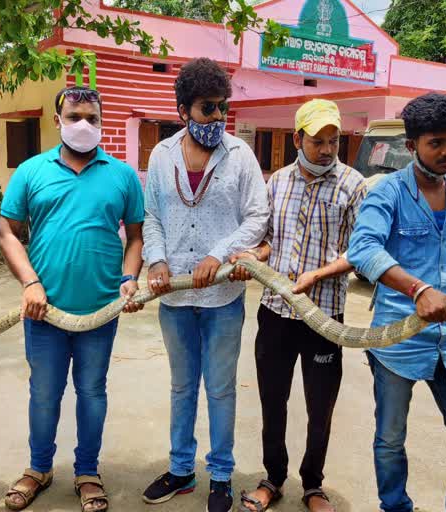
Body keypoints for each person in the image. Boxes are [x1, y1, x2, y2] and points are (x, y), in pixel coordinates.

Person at [347, 93, 446, 512]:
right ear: (412, 145)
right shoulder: (388, 193)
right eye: (436, 143)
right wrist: (418, 290)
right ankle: (396, 506)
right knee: (390, 439)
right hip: (397, 340)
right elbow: (363, 249)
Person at [0, 85, 145, 512]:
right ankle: (38, 468)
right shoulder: (30, 172)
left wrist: (129, 277)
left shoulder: (122, 175)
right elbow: (7, 232)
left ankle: (87, 472)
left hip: (101, 311)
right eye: (75, 116)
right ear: (57, 120)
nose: (84, 125)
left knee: (92, 391)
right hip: (44, 312)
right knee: (44, 393)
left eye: (93, 118)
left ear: (102, 122)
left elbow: (135, 236)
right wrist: (29, 282)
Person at [140, 57, 269, 512]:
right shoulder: (162, 155)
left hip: (222, 297)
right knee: (181, 387)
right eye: (206, 108)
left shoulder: (240, 156)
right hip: (173, 295)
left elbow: (258, 215)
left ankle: (220, 475)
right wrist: (155, 260)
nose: (217, 117)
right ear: (183, 110)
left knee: (219, 387)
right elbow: (152, 215)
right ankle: (180, 470)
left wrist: (220, 253)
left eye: (221, 107)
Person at [230, 99, 367, 512]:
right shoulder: (277, 183)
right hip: (275, 313)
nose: (327, 149)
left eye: (334, 140)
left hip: (324, 317)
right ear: (297, 139)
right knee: (274, 401)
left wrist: (320, 274)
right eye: (317, 141)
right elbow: (270, 239)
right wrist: (256, 256)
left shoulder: (353, 185)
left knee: (320, 407)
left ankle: (313, 485)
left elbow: (363, 250)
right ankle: (273, 478)